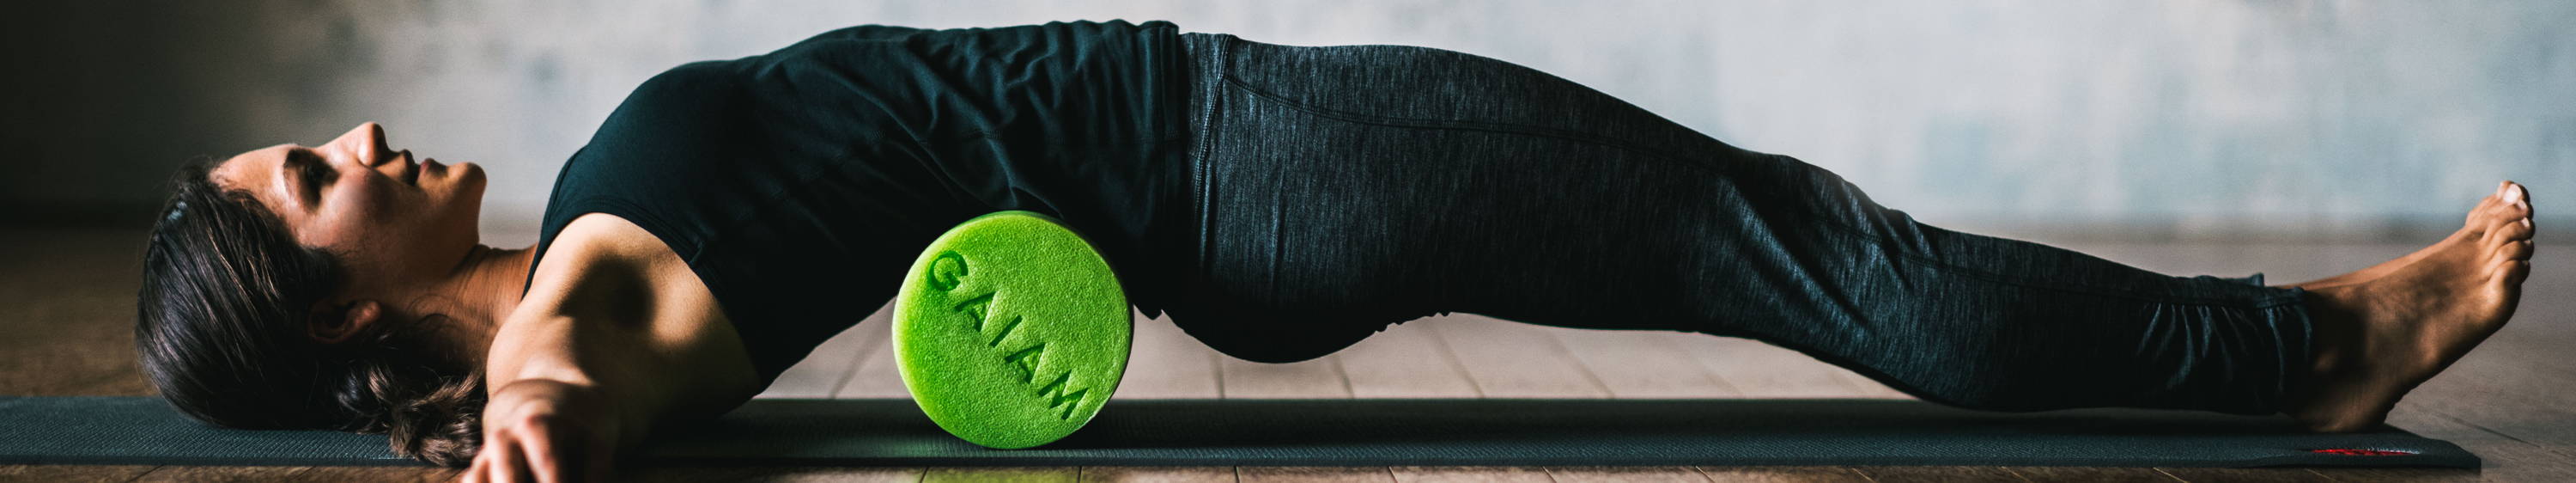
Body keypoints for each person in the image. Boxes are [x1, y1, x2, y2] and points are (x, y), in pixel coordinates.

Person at [133, 19, 2534, 482]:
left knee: (1775, 241)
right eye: (309, 184)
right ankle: (2301, 351)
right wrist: (545, 414)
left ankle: (2286, 348)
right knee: (1792, 241)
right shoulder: (577, 305)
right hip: (1249, 155)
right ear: (340, 302)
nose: (354, 134)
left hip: (1230, 196)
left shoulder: (580, 256)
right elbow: (592, 367)